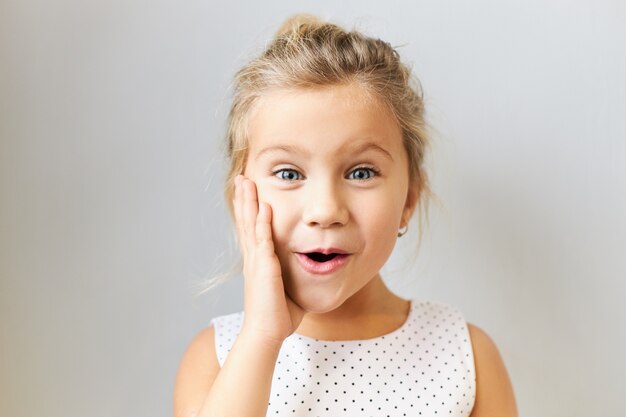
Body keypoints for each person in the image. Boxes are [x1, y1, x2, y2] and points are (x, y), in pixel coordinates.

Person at [174, 14, 517, 417]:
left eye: (361, 172)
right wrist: (263, 339)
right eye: (289, 173)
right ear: (242, 200)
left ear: (409, 199)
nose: (325, 211)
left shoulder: (465, 357)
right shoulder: (216, 358)